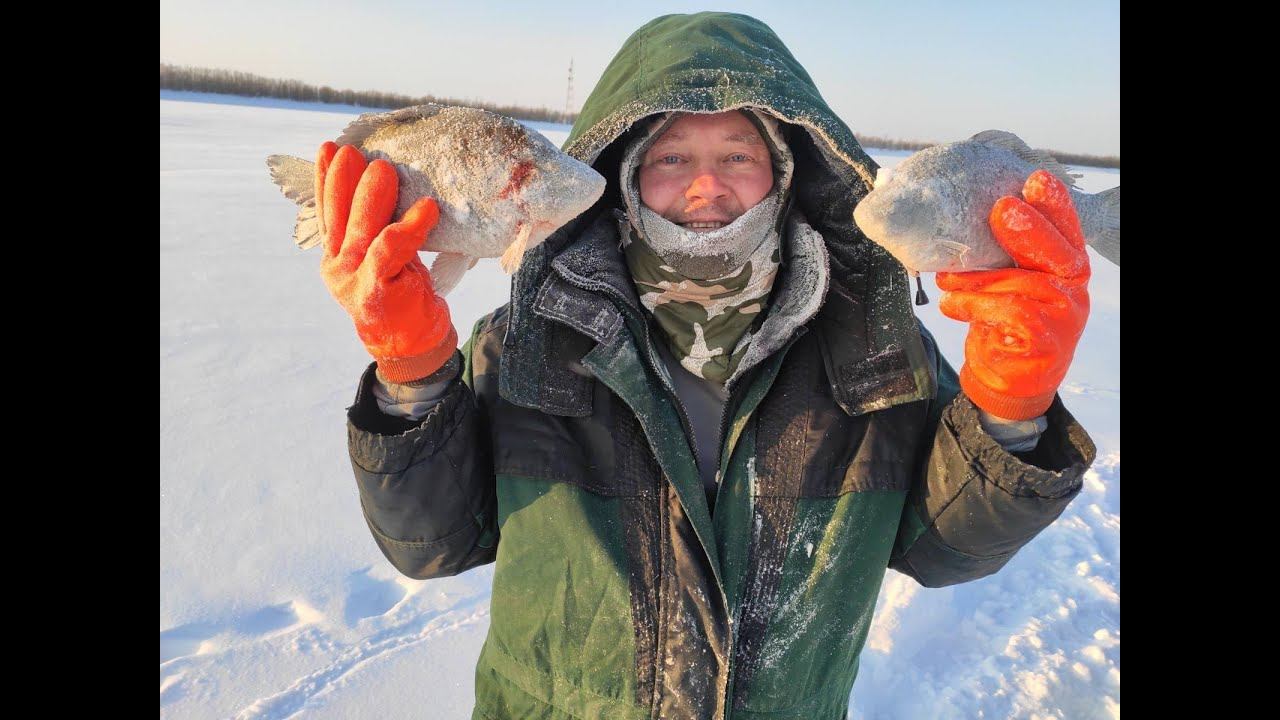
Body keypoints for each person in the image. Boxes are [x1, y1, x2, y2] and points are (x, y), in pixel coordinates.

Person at [315, 12, 1096, 720]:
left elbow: (945, 550)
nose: (706, 186)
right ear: (622, 173)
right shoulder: (525, 341)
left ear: (786, 173)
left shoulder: (875, 351)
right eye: (670, 157)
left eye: (739, 154)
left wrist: (1010, 410)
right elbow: (431, 544)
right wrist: (413, 375)